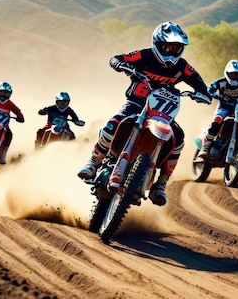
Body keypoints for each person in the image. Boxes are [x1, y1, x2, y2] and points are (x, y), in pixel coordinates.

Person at [77, 21, 211, 206]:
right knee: (113, 123)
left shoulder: (182, 66)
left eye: (177, 48)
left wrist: (203, 94)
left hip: (163, 112)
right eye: (168, 47)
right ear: (157, 43)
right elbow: (117, 58)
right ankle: (93, 162)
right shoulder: (144, 55)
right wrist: (121, 65)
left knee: (178, 138)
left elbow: (199, 82)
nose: (172, 52)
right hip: (136, 104)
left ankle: (160, 184)